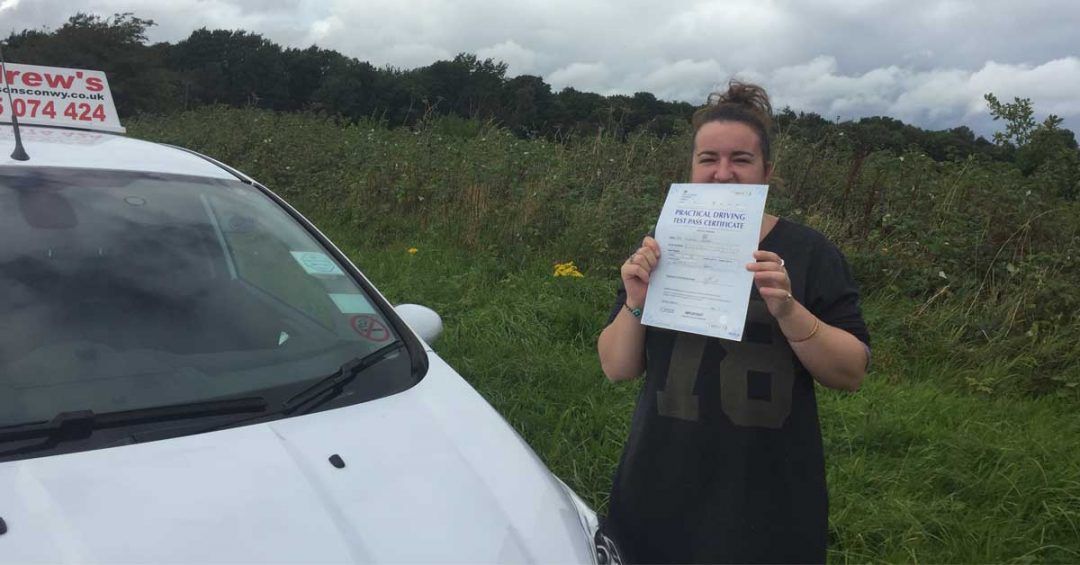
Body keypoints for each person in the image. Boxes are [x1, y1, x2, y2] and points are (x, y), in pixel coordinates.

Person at [596, 81, 871, 564]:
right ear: (691, 168)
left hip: (767, 497)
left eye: (741, 159)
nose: (722, 173)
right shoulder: (665, 243)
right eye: (708, 159)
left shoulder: (810, 252)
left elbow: (851, 372)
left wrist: (789, 310)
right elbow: (617, 367)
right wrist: (637, 301)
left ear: (767, 171)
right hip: (657, 482)